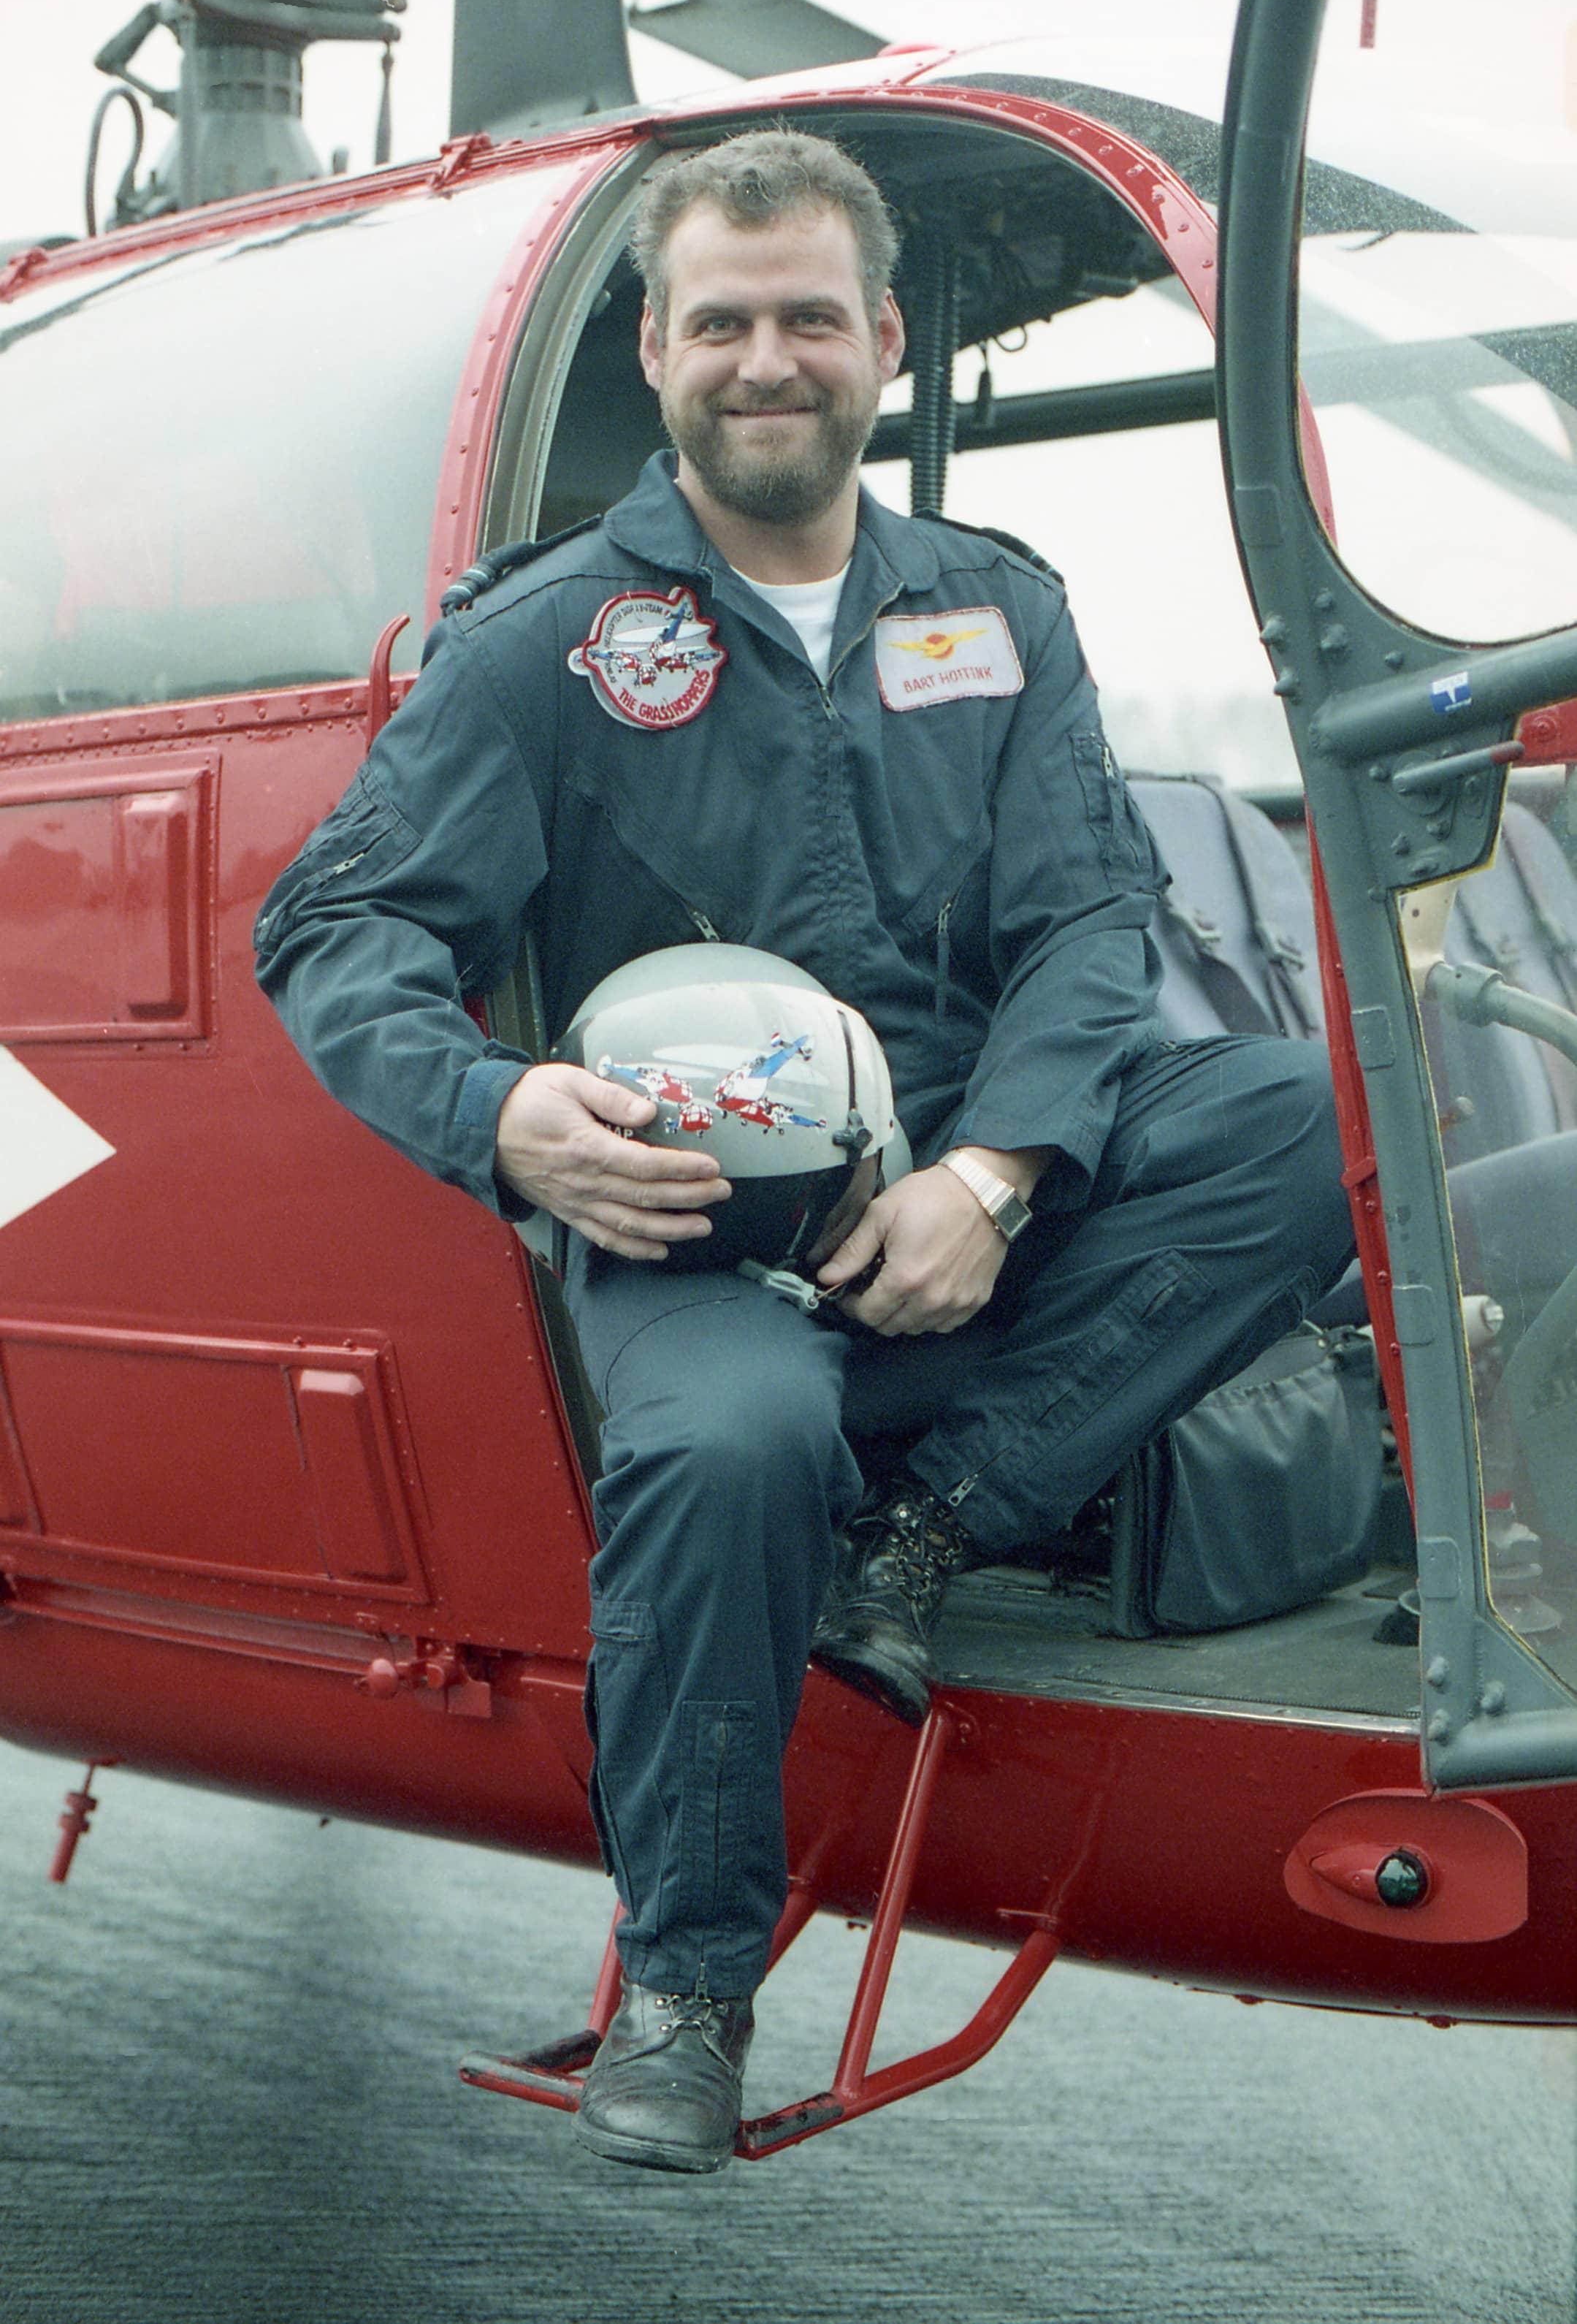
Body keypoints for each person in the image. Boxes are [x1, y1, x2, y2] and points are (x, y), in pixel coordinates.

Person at [254, 128, 1355, 2175]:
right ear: (661, 347)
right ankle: (682, 1984)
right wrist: (503, 1116)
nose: (772, 358)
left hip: (965, 1217)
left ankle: (926, 1530)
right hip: (699, 1243)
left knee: (1294, 1123)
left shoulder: (997, 614)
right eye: (727, 321)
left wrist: (999, 1174)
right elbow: (335, 929)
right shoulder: (552, 641)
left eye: (812, 320)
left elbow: (1090, 926)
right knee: (731, 1443)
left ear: (881, 342)